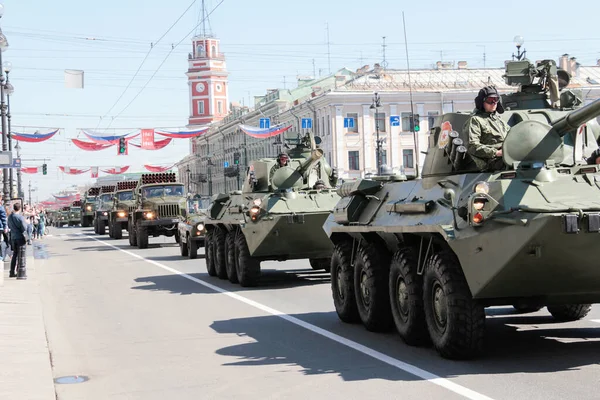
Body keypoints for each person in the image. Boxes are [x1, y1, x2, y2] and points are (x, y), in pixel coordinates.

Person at [464, 85, 510, 171]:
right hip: (491, 160)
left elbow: (512, 136)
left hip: (507, 157)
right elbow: (472, 146)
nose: (493, 103)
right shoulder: (476, 120)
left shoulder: (499, 121)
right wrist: (496, 152)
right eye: (490, 100)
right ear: (482, 102)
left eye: (496, 99)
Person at [7, 202, 28, 279]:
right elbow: (24, 228)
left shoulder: (10, 217)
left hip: (13, 237)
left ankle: (11, 272)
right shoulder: (20, 217)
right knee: (21, 255)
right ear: (19, 208)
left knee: (14, 255)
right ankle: (20, 271)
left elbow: (8, 226)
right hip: (20, 238)